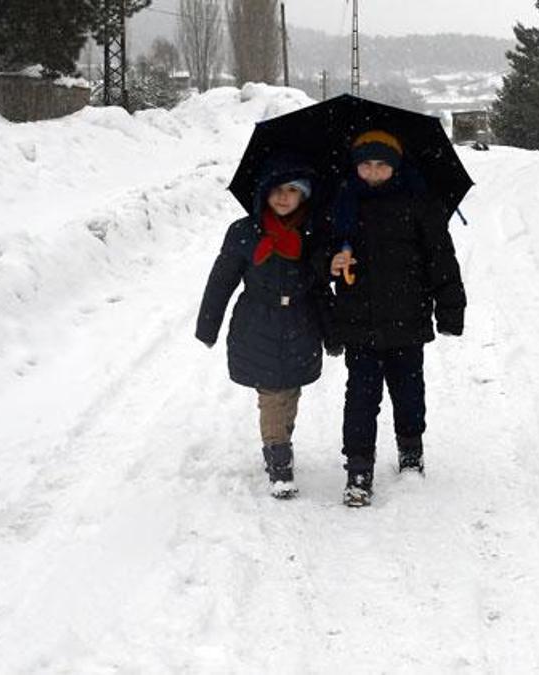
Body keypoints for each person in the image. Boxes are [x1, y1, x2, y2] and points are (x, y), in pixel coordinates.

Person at [326, 130, 467, 508]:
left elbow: (442, 259)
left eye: (382, 165)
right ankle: (358, 469)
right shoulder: (341, 203)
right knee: (360, 397)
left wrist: (450, 310)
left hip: (408, 320)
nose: (373, 173)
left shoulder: (420, 203)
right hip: (359, 321)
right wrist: (330, 261)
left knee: (408, 391)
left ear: (396, 166)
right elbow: (317, 255)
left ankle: (410, 450)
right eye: (366, 165)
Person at [195, 154, 330, 499]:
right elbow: (221, 280)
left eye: (291, 190)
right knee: (272, 393)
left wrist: (333, 332)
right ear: (263, 194)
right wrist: (208, 326)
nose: (283, 197)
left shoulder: (313, 232)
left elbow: (320, 286)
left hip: (301, 322)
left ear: (304, 195)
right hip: (257, 323)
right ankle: (279, 462)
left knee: (291, 391)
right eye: (275, 190)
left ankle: (280, 440)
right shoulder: (244, 232)